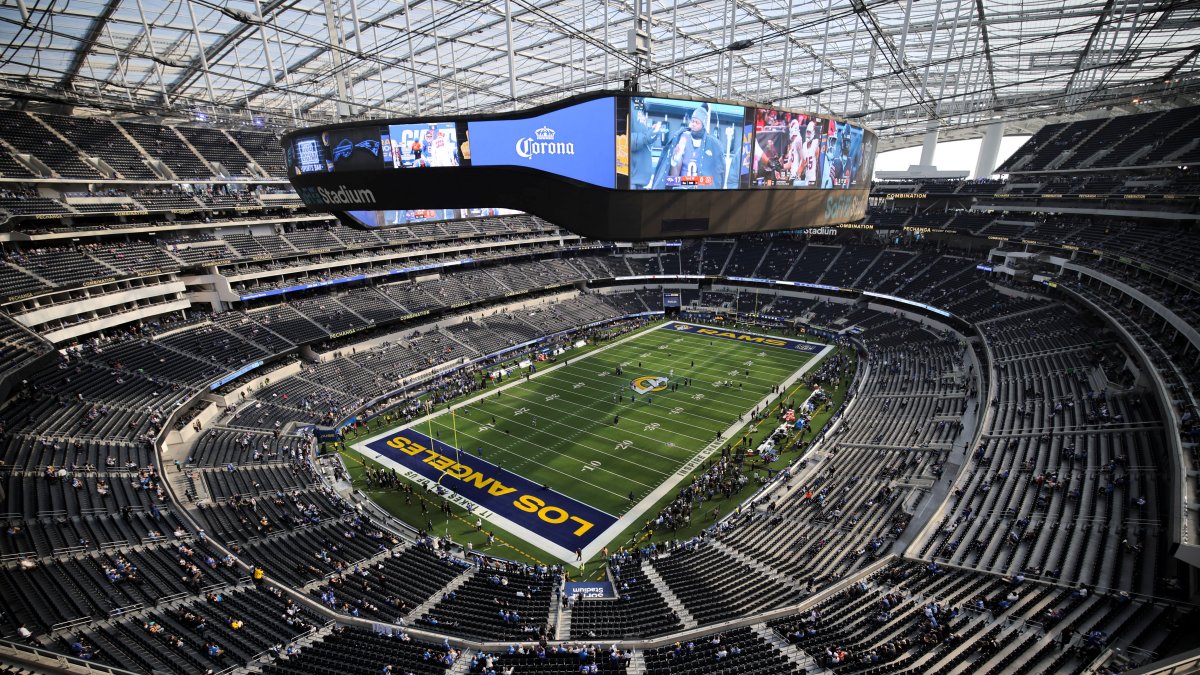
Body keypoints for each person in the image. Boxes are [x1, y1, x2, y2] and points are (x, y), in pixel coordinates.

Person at [651, 105, 728, 189]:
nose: (693, 124)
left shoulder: (712, 144)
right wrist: (674, 160)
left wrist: (698, 182)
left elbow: (717, 176)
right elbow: (673, 178)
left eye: (697, 122)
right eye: (693, 121)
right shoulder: (683, 138)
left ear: (703, 125)